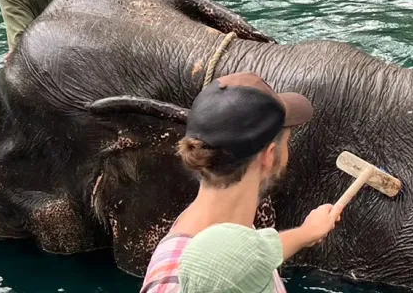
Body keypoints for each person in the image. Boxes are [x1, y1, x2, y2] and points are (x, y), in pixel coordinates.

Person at [140, 72, 341, 293]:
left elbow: (253, 255)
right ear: (270, 156)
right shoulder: (181, 284)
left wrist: (305, 233)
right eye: (287, 141)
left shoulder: (225, 235)